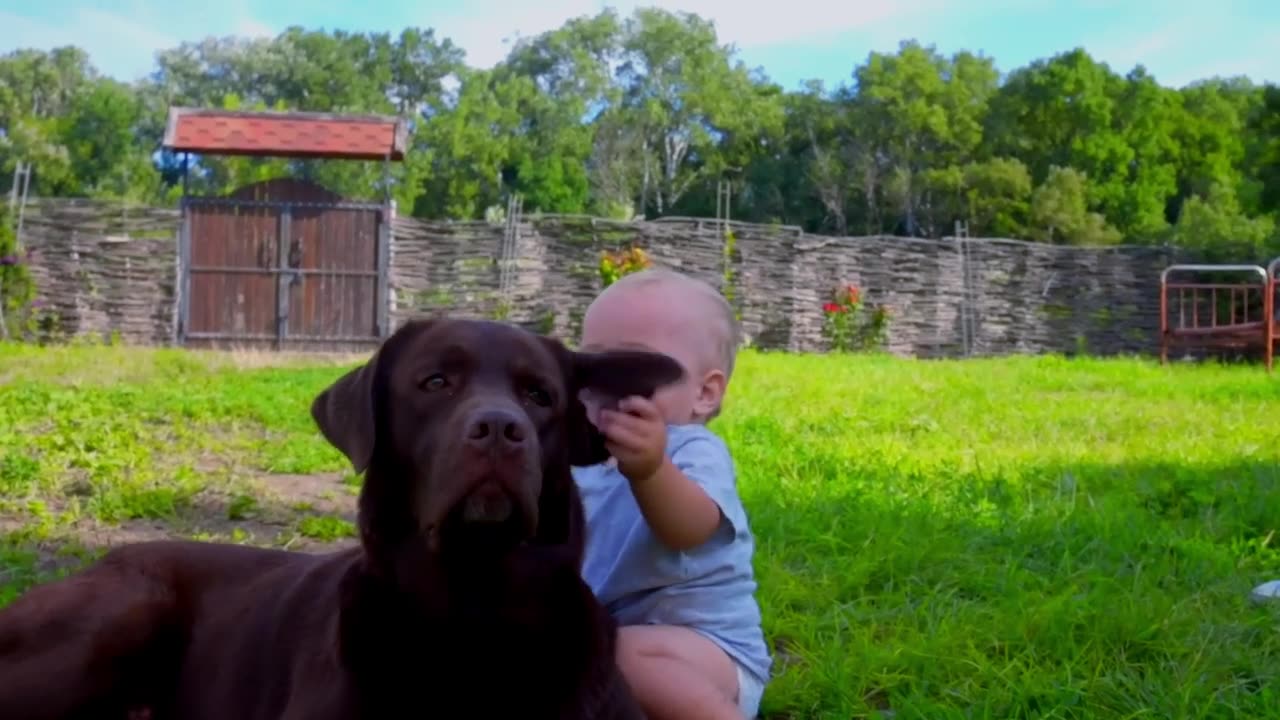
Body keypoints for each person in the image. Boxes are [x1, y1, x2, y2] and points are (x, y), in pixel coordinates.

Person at [572, 268, 771, 720]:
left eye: (636, 372)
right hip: (612, 644)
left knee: (618, 655)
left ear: (704, 393)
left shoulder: (690, 450)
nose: (609, 390)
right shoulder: (580, 462)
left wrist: (650, 471)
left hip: (706, 656)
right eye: (595, 369)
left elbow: (691, 528)